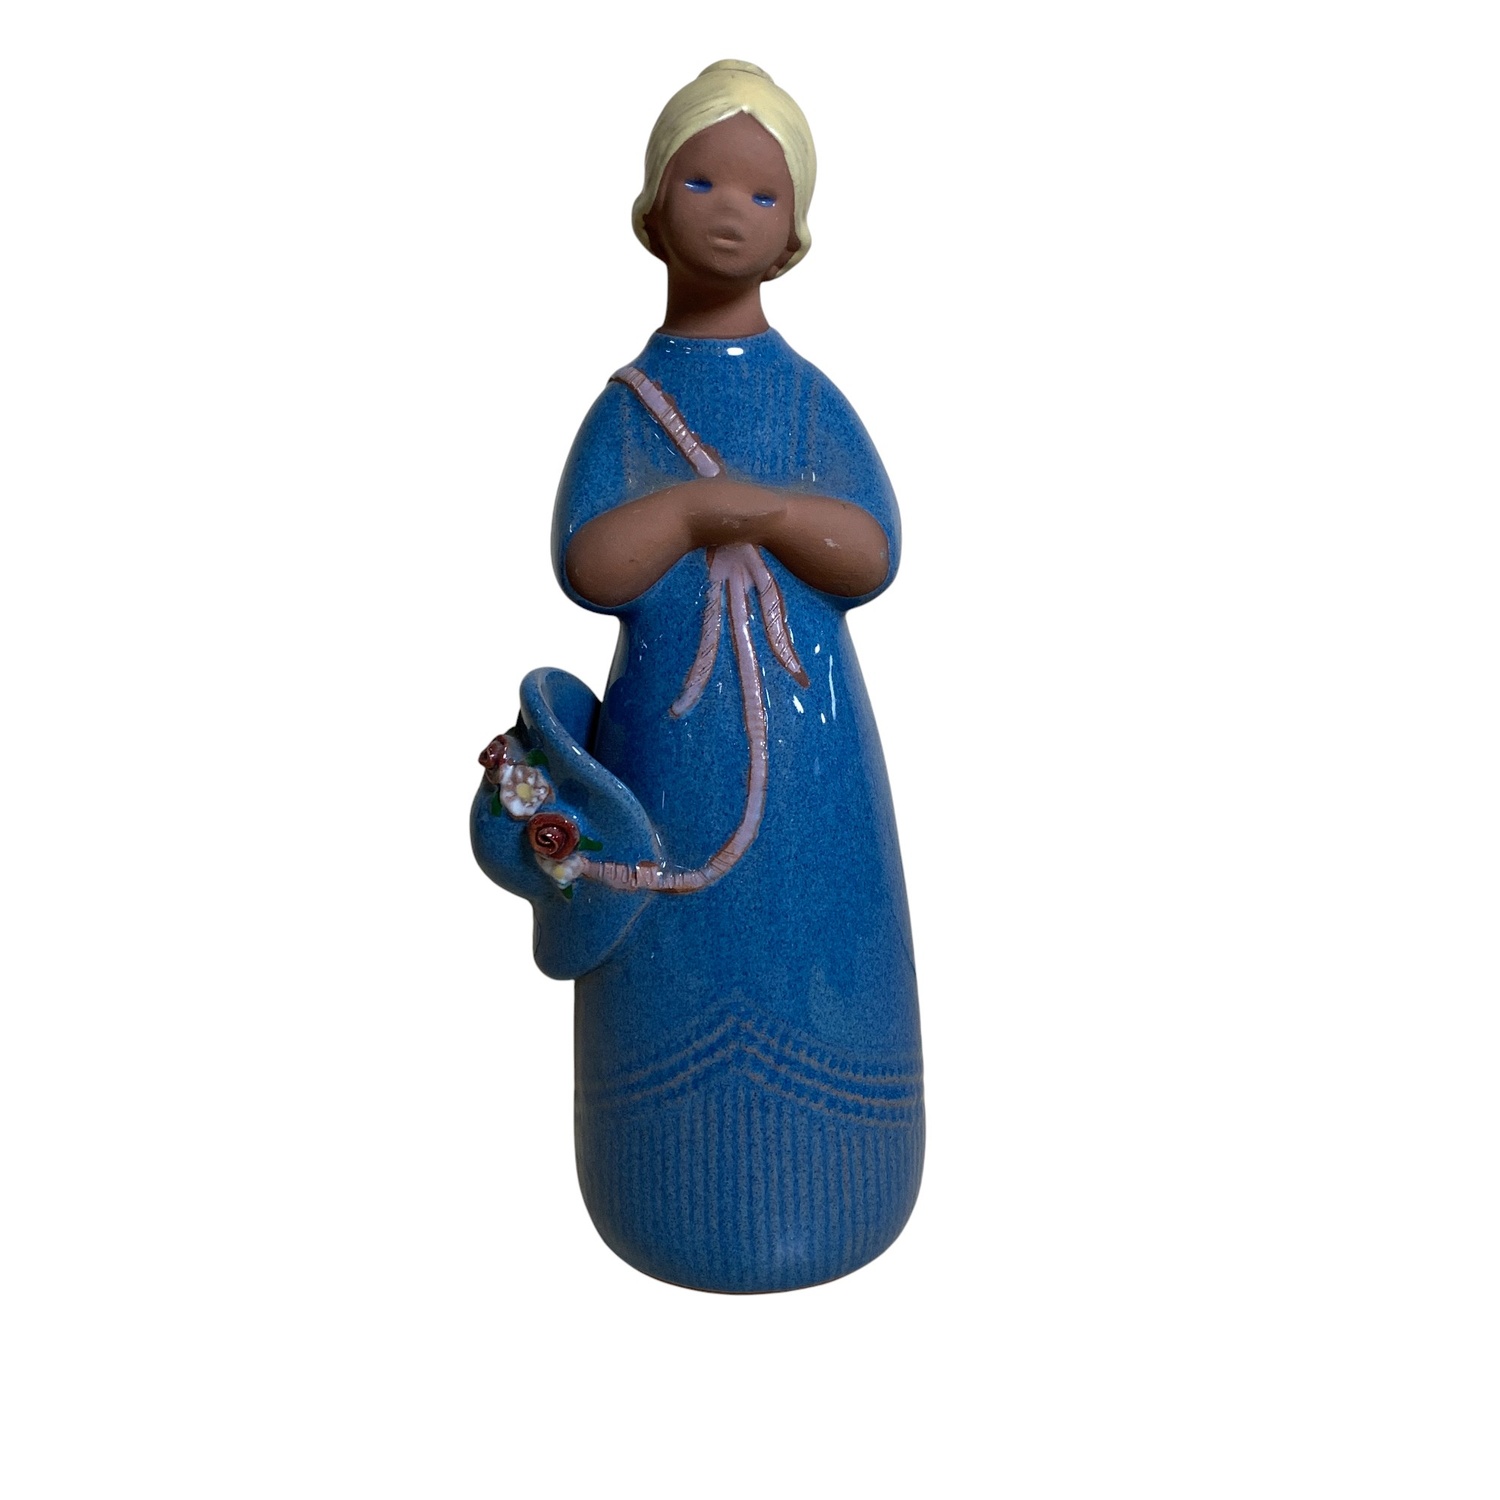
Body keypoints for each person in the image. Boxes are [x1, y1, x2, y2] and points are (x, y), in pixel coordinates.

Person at [474, 61, 923, 1291]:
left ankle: (845, 1163)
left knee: (823, 929)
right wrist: (685, 510)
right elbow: (590, 563)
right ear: (654, 208)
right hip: (668, 750)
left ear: (795, 234)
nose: (732, 211)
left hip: (815, 756)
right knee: (672, 944)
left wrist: (767, 511)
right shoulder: (632, 406)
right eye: (705, 182)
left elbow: (873, 550)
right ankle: (661, 1174)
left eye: (765, 195)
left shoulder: (809, 399)